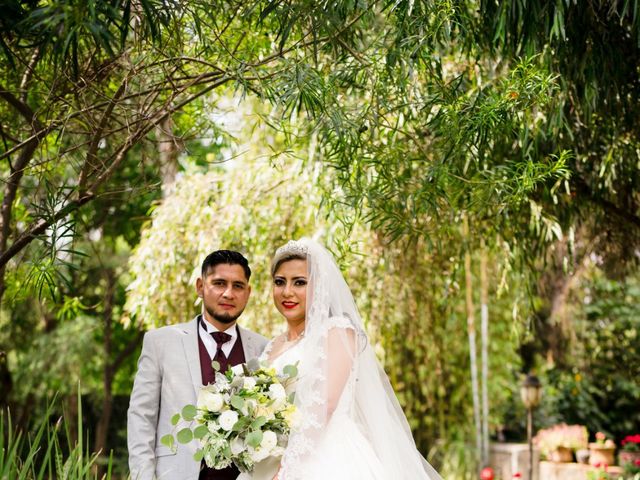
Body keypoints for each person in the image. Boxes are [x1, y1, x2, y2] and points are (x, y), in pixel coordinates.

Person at [244, 238, 443, 480]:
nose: (287, 292)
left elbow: (324, 405)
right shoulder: (273, 345)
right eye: (279, 282)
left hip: (327, 459)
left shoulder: (337, 332)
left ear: (319, 287)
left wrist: (288, 471)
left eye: (300, 283)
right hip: (270, 460)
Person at [128, 250, 269, 480]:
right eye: (219, 283)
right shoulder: (160, 342)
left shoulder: (264, 349)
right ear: (200, 287)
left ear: (248, 292)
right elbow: (141, 417)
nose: (228, 293)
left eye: (238, 286)